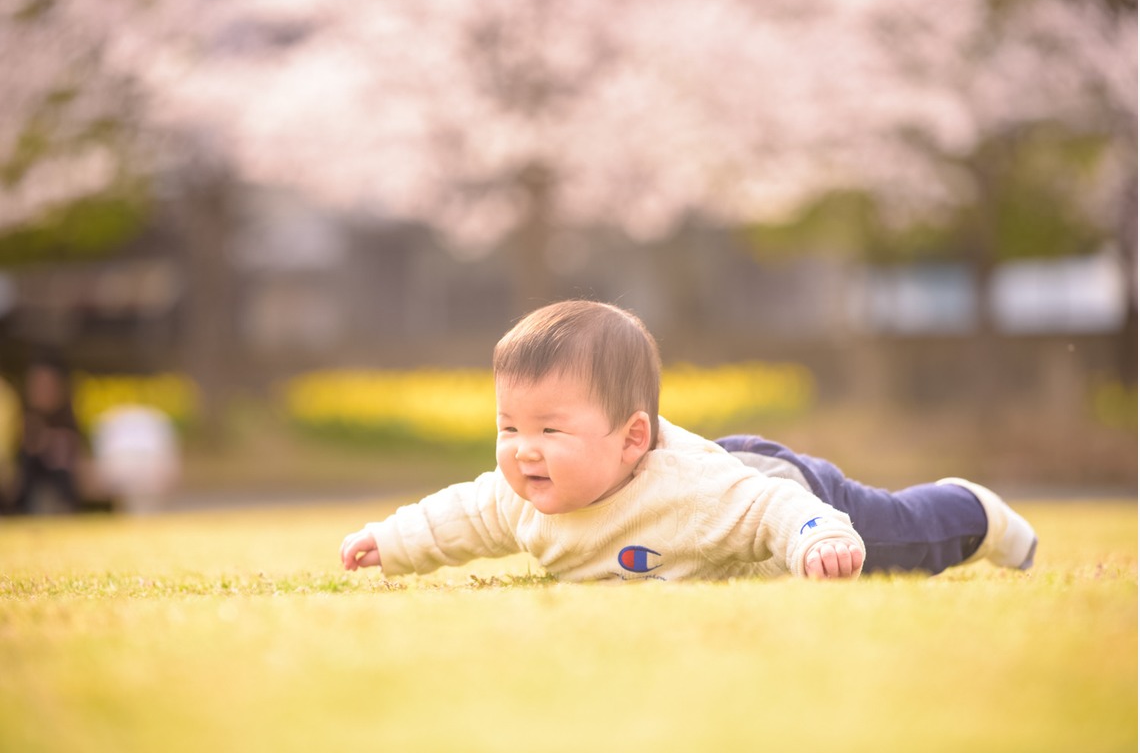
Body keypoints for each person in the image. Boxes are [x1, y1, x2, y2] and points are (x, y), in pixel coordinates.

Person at [340, 300, 1036, 582]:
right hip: (723, 483)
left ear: (630, 440)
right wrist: (390, 541)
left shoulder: (695, 494)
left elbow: (769, 508)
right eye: (509, 427)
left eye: (550, 430)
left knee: (896, 540)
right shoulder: (518, 492)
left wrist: (821, 535)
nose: (524, 449)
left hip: (777, 486)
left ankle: (972, 511)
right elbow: (459, 516)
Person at [10, 354, 86, 514]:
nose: (43, 391)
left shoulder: (69, 427)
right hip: (22, 509)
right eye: (37, 385)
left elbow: (80, 477)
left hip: (62, 508)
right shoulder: (17, 423)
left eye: (48, 385)